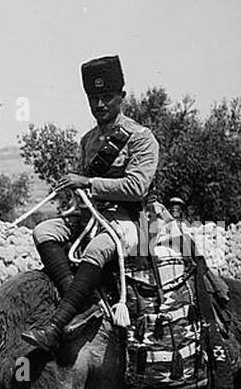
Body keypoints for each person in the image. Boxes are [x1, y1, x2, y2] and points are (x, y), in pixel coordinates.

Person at [23, 55, 160, 353]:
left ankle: (56, 325)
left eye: (107, 97)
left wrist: (87, 183)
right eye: (93, 98)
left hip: (131, 221)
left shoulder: (140, 139)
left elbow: (137, 187)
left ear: (122, 96)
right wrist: (77, 198)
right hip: (91, 219)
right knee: (43, 231)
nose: (100, 105)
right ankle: (82, 303)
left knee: (97, 248)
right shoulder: (88, 140)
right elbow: (84, 194)